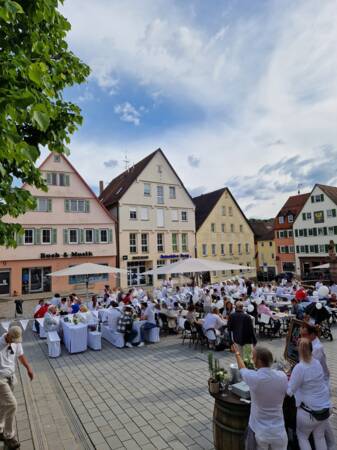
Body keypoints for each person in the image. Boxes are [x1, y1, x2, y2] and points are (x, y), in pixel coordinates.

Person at [232, 343, 288, 450]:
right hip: (279, 432)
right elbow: (284, 393)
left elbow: (242, 369)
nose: (252, 359)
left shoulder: (254, 378)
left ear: (259, 361)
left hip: (261, 432)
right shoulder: (282, 376)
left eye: (253, 357)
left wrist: (237, 354)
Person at [287, 338, 331, 450]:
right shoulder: (316, 362)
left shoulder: (300, 368)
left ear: (299, 351)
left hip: (309, 412)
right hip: (325, 408)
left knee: (303, 437)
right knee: (320, 437)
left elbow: (289, 391)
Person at [0, 326, 34, 449]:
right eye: (13, 339)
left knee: (4, 404)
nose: (15, 342)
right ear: (8, 335)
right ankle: (9, 436)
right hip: (0, 380)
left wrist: (28, 368)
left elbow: (20, 355)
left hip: (11, 377)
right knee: (12, 404)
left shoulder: (16, 342)